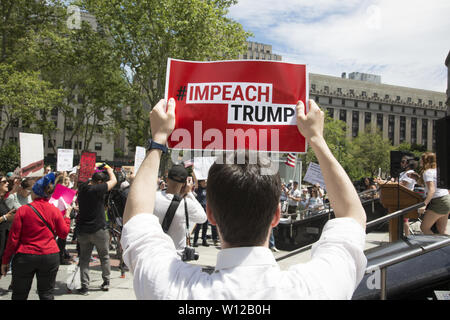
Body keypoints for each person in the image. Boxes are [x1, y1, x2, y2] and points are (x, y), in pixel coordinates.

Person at [120, 98, 367, 299]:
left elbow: (137, 217)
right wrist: (316, 138)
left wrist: (159, 139)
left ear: (211, 215)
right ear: (276, 216)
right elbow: (352, 216)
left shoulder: (172, 288)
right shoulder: (314, 289)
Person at [0, 173, 71, 300]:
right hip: (49, 255)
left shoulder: (23, 210)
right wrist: (67, 217)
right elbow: (63, 233)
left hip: (25, 256)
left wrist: (5, 260)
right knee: (46, 294)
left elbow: (13, 239)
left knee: (19, 295)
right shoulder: (54, 210)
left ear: (35, 193)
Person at [76, 166, 117, 295]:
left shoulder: (82, 188)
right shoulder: (97, 189)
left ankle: (84, 286)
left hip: (83, 230)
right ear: (100, 183)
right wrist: (109, 170)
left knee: (84, 259)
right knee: (104, 257)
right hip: (99, 229)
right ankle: (106, 282)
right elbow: (114, 181)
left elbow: (81, 178)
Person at [153, 165, 207, 253]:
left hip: (154, 251)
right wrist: (189, 193)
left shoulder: (153, 197)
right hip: (175, 254)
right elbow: (203, 218)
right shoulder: (186, 203)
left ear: (167, 180)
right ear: (184, 184)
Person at [418, 152, 449, 235]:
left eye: (421, 159)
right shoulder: (438, 171)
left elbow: (432, 190)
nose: (419, 161)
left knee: (424, 228)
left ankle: (435, 247)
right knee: (442, 229)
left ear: (425, 161)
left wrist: (424, 204)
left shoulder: (427, 172)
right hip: (446, 198)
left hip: (438, 201)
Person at [398, 156, 418, 236]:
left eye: (403, 162)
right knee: (402, 219)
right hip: (400, 198)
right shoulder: (403, 173)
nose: (401, 163)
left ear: (408, 163)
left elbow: (403, 185)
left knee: (405, 219)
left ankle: (407, 236)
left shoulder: (410, 173)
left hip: (406, 198)